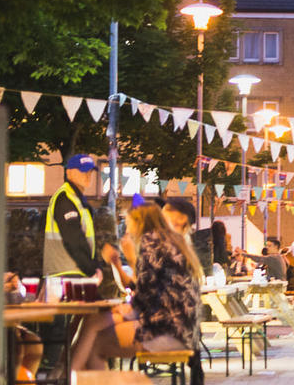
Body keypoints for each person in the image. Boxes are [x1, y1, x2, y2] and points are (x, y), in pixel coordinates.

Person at [70, 205, 203, 369]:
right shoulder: (168, 242)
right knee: (93, 323)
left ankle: (71, 376)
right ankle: (72, 375)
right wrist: (119, 264)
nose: (126, 230)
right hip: (182, 329)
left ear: (139, 224)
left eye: (128, 224)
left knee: (96, 343)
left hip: (167, 330)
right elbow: (148, 288)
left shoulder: (152, 243)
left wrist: (129, 308)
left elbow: (146, 293)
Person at [44, 153, 114, 279]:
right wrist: (92, 268)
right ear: (69, 173)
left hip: (72, 271)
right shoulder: (65, 198)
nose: (88, 176)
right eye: (83, 171)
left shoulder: (76, 198)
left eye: (90, 172)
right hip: (65, 273)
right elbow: (73, 238)